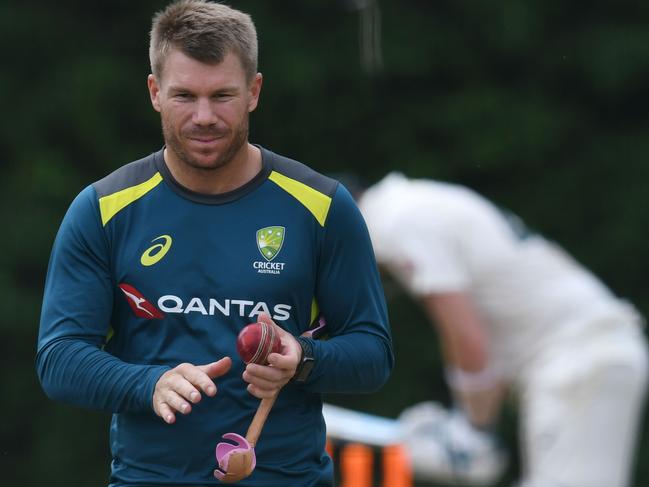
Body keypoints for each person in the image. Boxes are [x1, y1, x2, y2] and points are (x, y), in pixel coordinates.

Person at [36, 1, 393, 485]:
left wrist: (304, 361)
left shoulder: (323, 206)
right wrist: (149, 382)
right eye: (185, 96)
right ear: (155, 92)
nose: (204, 116)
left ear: (254, 91)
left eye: (222, 95)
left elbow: (373, 354)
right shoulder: (102, 209)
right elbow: (59, 358)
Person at [356, 172, 648, 487]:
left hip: (579, 358)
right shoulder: (413, 202)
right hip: (585, 354)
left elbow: (468, 339)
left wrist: (472, 432)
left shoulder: (396, 221)